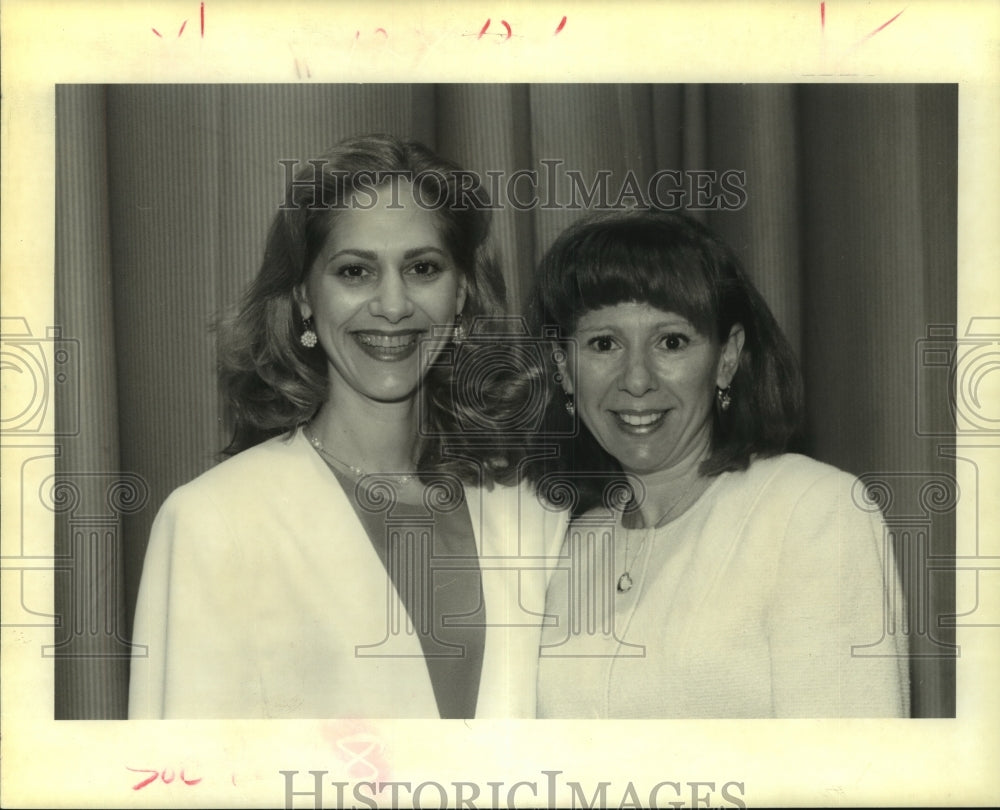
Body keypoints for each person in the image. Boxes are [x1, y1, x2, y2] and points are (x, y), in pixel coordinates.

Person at [128, 134, 567, 719]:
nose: (392, 304)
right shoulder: (214, 522)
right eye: (355, 271)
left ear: (461, 292)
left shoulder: (532, 510)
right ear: (304, 297)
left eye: (423, 268)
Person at [524, 209, 909, 718]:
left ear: (726, 358)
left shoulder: (810, 512)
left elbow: (853, 777)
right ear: (563, 369)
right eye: (603, 343)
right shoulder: (564, 546)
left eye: (672, 342)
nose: (636, 379)